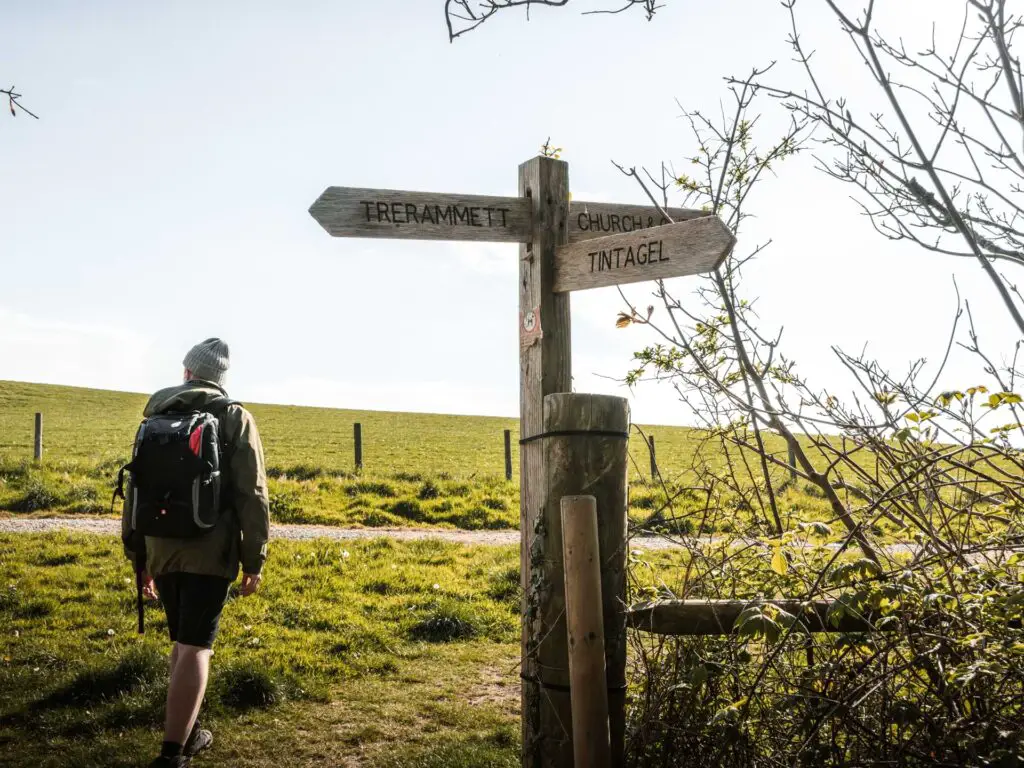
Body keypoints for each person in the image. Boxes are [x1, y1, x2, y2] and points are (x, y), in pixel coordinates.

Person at [121, 337, 270, 768]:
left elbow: (135, 492)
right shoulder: (234, 417)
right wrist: (254, 557)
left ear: (187, 373)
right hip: (211, 548)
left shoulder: (156, 415)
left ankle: (186, 735)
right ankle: (171, 754)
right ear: (221, 379)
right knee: (196, 646)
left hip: (159, 546)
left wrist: (139, 557)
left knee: (180, 642)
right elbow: (252, 494)